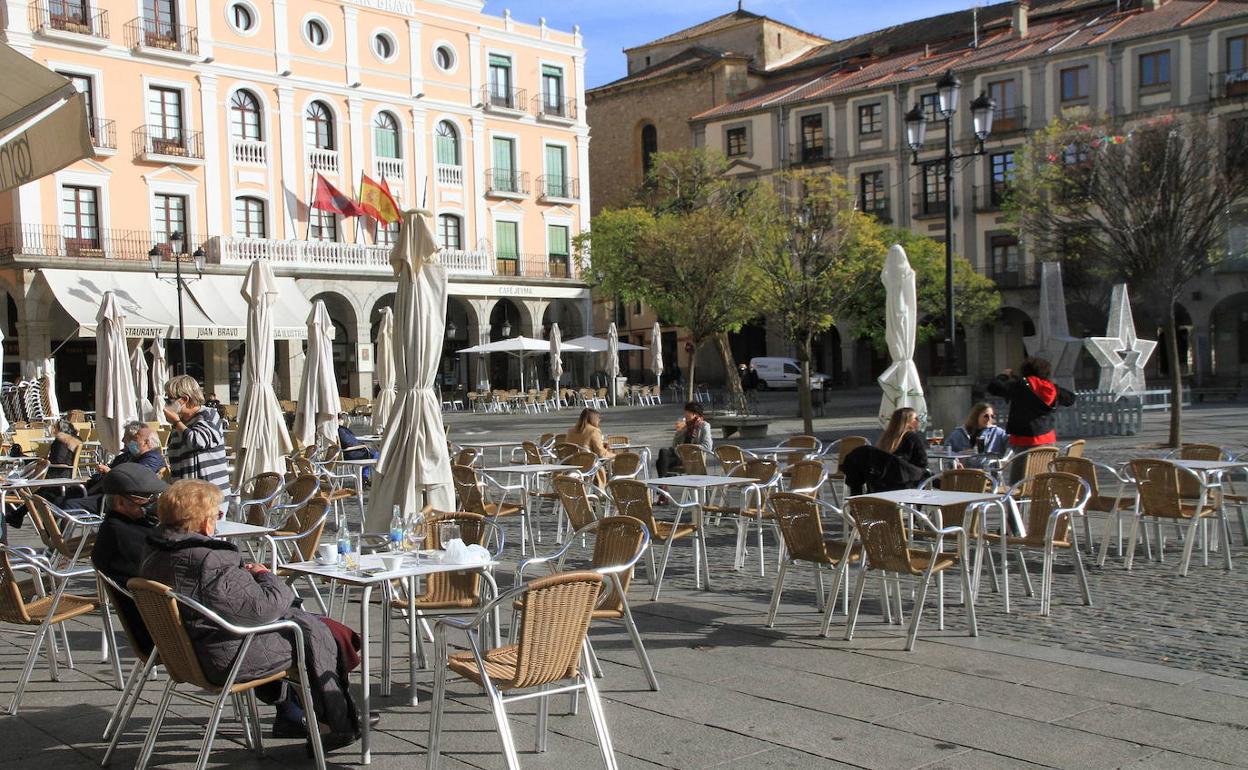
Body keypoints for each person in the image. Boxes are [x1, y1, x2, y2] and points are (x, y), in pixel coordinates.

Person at [140, 480, 364, 748]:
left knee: (309, 628)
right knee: (311, 633)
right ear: (201, 522)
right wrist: (264, 575)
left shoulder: (154, 548)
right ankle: (334, 725)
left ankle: (312, 717)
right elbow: (264, 609)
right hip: (225, 657)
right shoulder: (209, 560)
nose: (217, 522)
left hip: (185, 654)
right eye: (216, 515)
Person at [90, 464, 167, 653]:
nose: (154, 502)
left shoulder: (124, 526)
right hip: (163, 635)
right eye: (147, 498)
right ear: (121, 502)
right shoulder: (124, 536)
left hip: (158, 624)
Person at [986, 356, 1076, 451]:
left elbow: (993, 387)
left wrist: (1004, 375)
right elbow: (1071, 399)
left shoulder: (1019, 387)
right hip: (1047, 438)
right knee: (1044, 465)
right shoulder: (1051, 388)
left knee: (1023, 466)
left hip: (1023, 441)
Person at [163, 374, 229, 494]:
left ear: (184, 400)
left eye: (169, 399)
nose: (166, 404)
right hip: (187, 496)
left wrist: (176, 421)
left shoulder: (208, 415)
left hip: (210, 497)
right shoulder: (181, 423)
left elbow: (198, 441)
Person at [841, 408, 929, 495]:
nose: (918, 421)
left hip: (880, 483)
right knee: (929, 475)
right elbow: (923, 462)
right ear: (907, 422)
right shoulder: (911, 437)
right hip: (902, 482)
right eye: (916, 419)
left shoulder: (886, 438)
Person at [655, 402, 713, 476]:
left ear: (695, 414)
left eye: (687, 412)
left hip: (693, 458)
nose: (685, 415)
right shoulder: (686, 426)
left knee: (660, 461)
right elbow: (674, 445)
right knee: (662, 454)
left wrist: (690, 448)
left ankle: (663, 484)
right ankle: (664, 483)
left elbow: (708, 447)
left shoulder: (704, 426)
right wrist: (679, 432)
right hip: (681, 456)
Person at [944, 403, 1009, 468]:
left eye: (992, 416)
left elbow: (1011, 447)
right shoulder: (959, 434)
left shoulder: (997, 433)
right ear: (976, 416)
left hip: (988, 473)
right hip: (963, 472)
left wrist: (999, 461)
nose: (989, 419)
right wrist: (957, 460)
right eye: (986, 416)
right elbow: (946, 452)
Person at [336, 413, 377, 480]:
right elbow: (348, 442)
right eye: (341, 418)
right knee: (377, 456)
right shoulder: (340, 430)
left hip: (354, 451)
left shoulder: (341, 430)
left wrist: (361, 445)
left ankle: (364, 478)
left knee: (373, 454)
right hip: (352, 453)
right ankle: (367, 478)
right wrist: (362, 445)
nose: (342, 420)